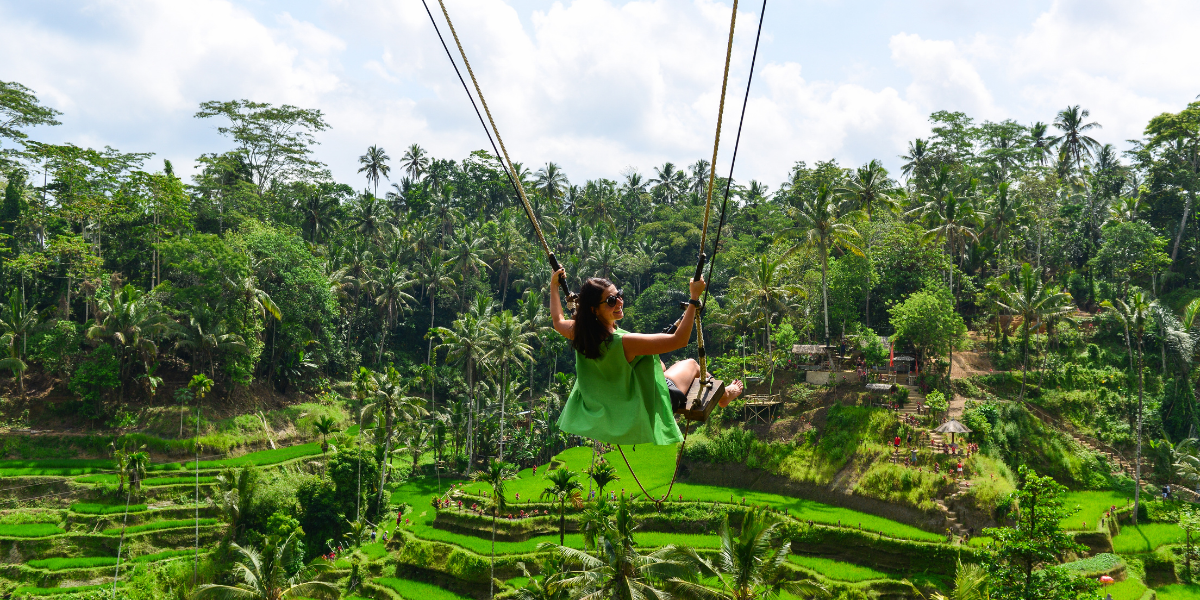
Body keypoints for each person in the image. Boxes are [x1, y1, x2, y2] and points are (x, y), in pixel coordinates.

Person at [551, 270, 743, 445]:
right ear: (594, 310)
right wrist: (694, 299)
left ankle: (722, 394)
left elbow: (558, 321)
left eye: (619, 295)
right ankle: (724, 396)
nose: (619, 302)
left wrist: (554, 286)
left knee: (661, 367)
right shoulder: (625, 342)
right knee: (691, 364)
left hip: (617, 411)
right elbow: (679, 340)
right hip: (653, 403)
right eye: (611, 301)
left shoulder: (580, 333)